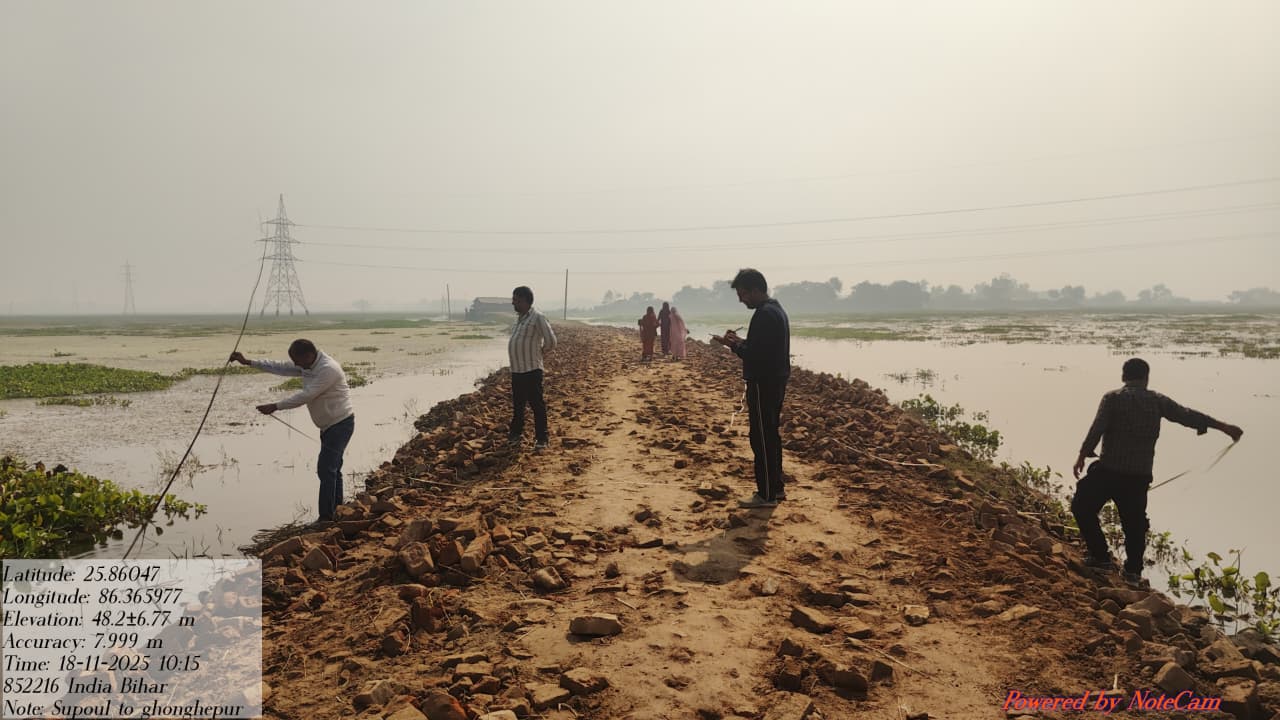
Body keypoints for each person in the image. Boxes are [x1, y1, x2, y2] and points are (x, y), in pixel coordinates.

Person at [1071, 357, 1242, 585]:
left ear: (1124, 376)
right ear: (1146, 378)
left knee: (1082, 507)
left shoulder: (1112, 398)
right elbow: (1186, 415)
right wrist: (1224, 427)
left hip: (1109, 471)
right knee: (1134, 525)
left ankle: (1101, 557)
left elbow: (1097, 428)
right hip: (1138, 477)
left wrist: (1082, 455)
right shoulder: (1157, 401)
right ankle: (1133, 572)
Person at [231, 340, 354, 523]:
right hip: (328, 425)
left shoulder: (328, 369)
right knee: (333, 469)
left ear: (308, 355)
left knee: (326, 469)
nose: (296, 365)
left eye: (297, 360)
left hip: (340, 424)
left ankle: (326, 517)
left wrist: (276, 406)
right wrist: (248, 362)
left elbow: (306, 395)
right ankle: (337, 510)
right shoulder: (308, 365)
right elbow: (280, 367)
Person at [712, 269, 791, 508]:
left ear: (755, 290)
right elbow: (762, 346)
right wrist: (738, 342)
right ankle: (775, 488)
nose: (741, 299)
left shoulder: (764, 314)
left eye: (742, 294)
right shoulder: (774, 309)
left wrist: (733, 346)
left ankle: (766, 494)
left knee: (762, 438)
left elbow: (756, 355)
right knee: (771, 436)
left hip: (763, 382)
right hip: (775, 380)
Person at [509, 285, 557, 449]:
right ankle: (516, 434)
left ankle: (542, 438)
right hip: (517, 370)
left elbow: (551, 341)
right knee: (518, 405)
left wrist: (539, 353)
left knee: (536, 404)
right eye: (513, 299)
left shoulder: (537, 317)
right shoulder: (520, 319)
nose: (513, 303)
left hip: (531, 370)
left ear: (525, 301)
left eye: (516, 300)